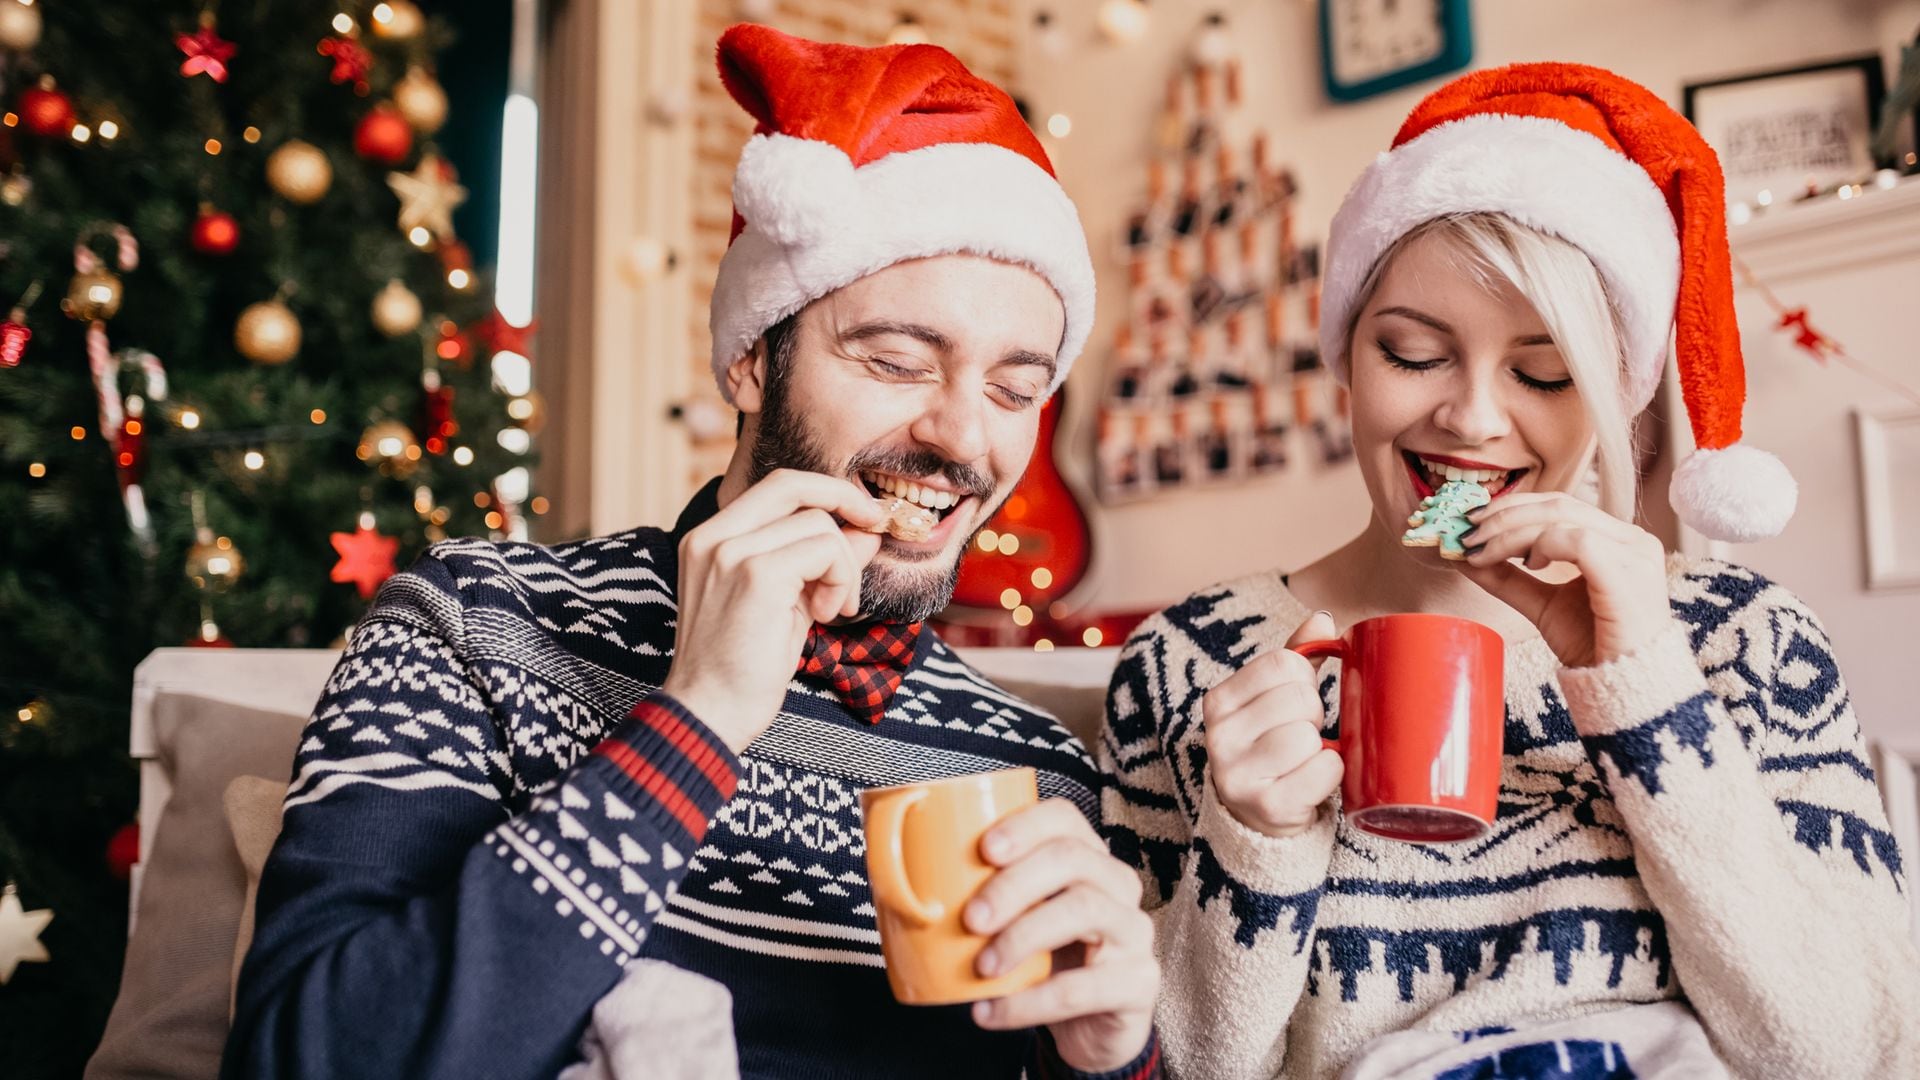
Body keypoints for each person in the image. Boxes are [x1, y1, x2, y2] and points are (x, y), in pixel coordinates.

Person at [225, 25, 1162, 1080]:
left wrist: (1113, 1059)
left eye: (1013, 389)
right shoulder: (470, 624)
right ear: (753, 361)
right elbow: (301, 1058)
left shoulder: (1033, 772)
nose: (963, 437)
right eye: (896, 359)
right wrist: (699, 718)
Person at [1099, 64, 1919, 1079]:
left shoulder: (1741, 640)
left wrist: (1648, 696)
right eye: (1412, 354)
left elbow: (1857, 1054)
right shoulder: (1189, 666)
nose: (1474, 419)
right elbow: (1155, 1067)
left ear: (1621, 395)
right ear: (1345, 360)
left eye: (1543, 372)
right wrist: (1255, 845)